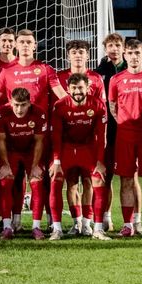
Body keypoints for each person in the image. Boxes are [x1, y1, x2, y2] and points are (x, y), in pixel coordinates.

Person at [108, 39, 142, 239]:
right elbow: (113, 106)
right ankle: (127, 225)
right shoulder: (116, 79)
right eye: (130, 53)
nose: (133, 57)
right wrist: (126, 124)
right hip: (125, 137)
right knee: (126, 180)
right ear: (125, 55)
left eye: (137, 53)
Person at [49, 74, 108, 240]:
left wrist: (100, 161)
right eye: (74, 88)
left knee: (97, 181)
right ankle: (58, 229)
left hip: (88, 149)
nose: (77, 91)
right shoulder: (60, 106)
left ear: (87, 88)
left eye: (81, 87)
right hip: (67, 149)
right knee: (57, 180)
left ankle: (96, 228)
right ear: (68, 89)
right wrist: (56, 161)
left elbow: (101, 136)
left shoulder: (98, 105)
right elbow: (56, 136)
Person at [0, 87, 47, 239]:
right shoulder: (2, 113)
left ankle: (36, 227)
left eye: (23, 105)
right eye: (16, 105)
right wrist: (5, 165)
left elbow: (39, 142)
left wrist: (35, 165)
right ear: (10, 102)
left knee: (37, 182)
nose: (19, 109)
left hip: (31, 151)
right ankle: (7, 227)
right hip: (10, 152)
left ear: (29, 103)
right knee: (5, 181)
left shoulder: (39, 113)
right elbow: (1, 141)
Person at [95, 33, 126, 231]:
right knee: (105, 176)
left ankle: (135, 221)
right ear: (105, 49)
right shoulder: (100, 72)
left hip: (127, 130)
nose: (114, 49)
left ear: (123, 47)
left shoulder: (130, 67)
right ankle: (106, 217)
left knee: (129, 177)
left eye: (117, 45)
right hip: (107, 131)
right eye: (110, 46)